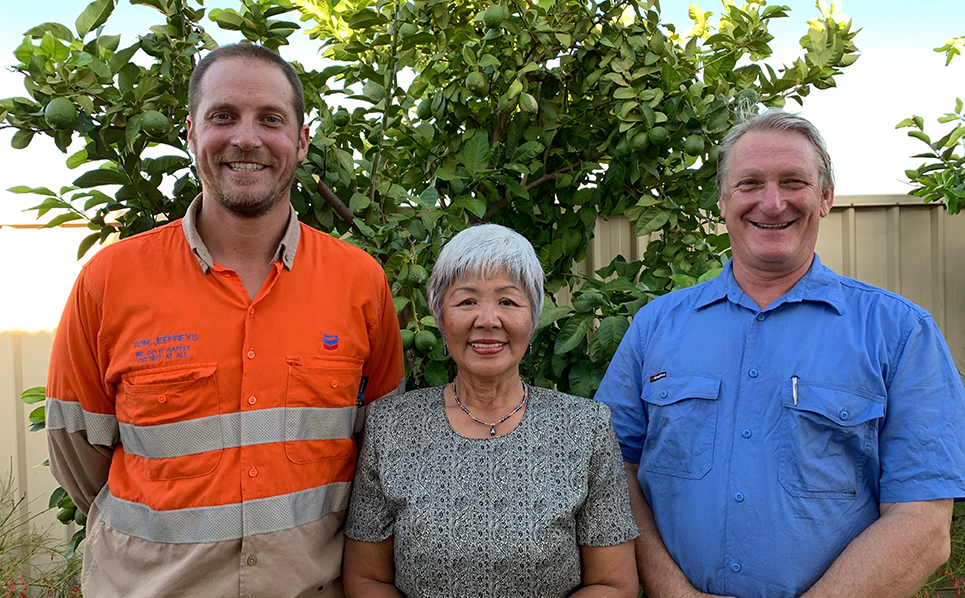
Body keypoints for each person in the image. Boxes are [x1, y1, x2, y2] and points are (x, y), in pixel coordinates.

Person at [44, 43, 404, 598]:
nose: (246, 138)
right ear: (190, 133)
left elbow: (380, 447)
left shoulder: (360, 284)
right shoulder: (109, 280)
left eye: (271, 119)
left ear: (302, 141)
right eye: (223, 116)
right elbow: (78, 453)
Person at [595, 111, 965, 598]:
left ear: (826, 197)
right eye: (750, 183)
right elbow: (611, 473)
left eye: (794, 182)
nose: (772, 203)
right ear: (724, 201)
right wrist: (673, 593)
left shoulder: (901, 333)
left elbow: (924, 522)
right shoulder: (654, 328)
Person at [342, 224, 639, 598]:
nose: (487, 320)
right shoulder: (392, 425)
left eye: (508, 302)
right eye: (466, 301)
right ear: (440, 316)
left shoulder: (585, 428)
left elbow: (613, 584)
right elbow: (366, 579)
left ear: (532, 319)